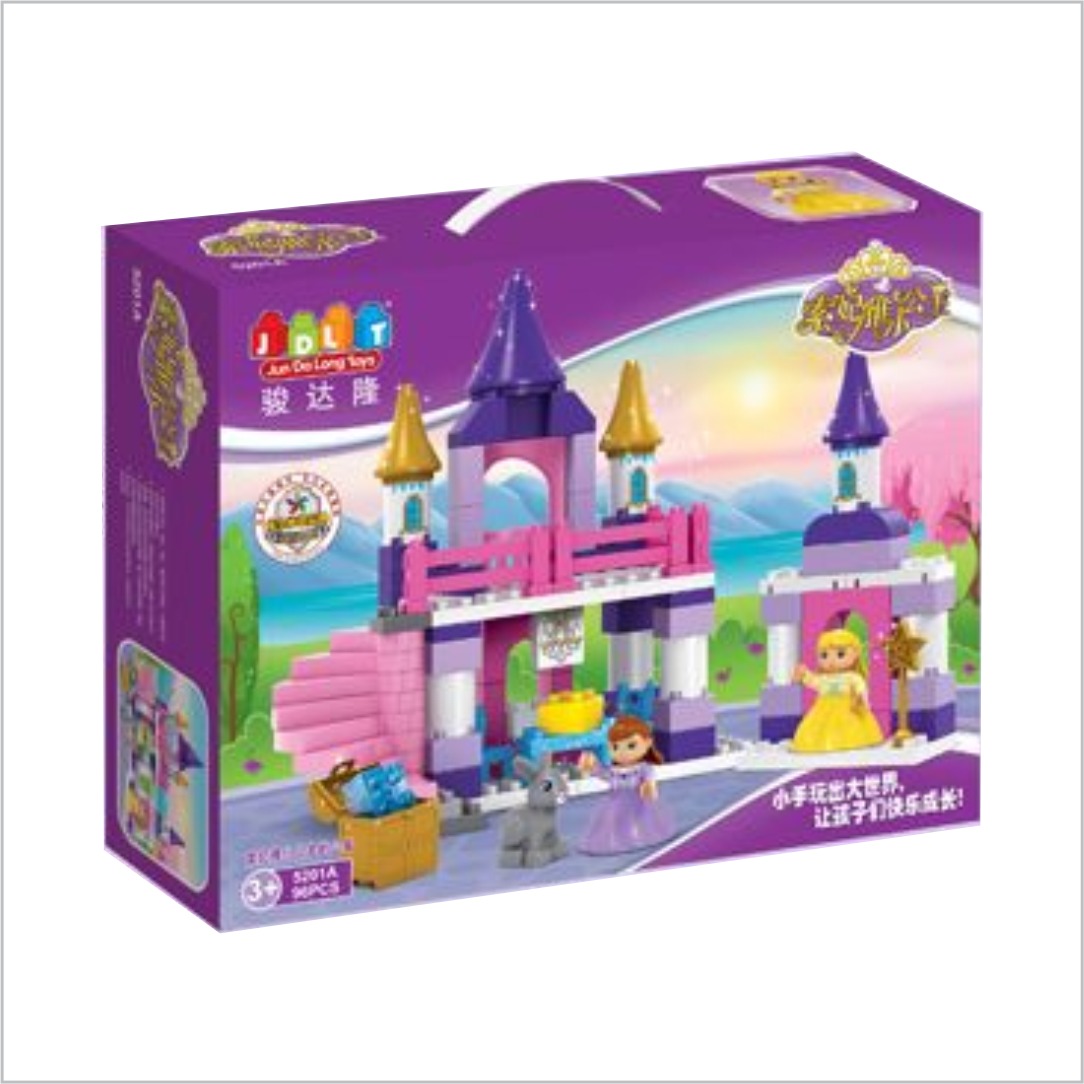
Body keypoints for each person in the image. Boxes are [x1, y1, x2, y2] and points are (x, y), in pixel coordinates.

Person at [578, 716, 676, 855]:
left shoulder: (643, 767)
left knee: (640, 820)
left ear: (647, 743)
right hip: (616, 802)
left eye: (631, 746)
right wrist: (590, 765)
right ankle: (621, 839)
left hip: (638, 800)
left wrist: (649, 787)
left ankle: (638, 836)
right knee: (615, 822)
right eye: (615, 747)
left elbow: (649, 780)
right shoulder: (614, 771)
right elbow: (602, 773)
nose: (622, 753)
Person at [791, 628, 885, 753]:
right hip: (823, 708)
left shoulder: (852, 677)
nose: (831, 661)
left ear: (855, 655)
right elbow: (814, 682)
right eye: (824, 655)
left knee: (851, 727)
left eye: (840, 654)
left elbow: (861, 688)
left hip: (848, 708)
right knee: (819, 728)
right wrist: (803, 676)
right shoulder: (824, 678)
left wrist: (861, 699)